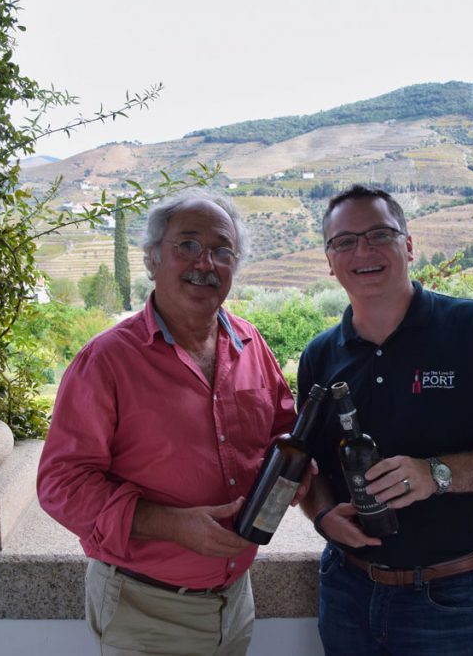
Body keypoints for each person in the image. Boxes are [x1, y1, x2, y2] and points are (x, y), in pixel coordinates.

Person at [37, 188, 297, 656]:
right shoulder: (107, 360)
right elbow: (61, 485)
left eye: (222, 250)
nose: (205, 262)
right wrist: (172, 525)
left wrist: (300, 474)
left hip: (235, 602)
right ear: (152, 260)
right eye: (188, 245)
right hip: (145, 611)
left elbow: (283, 431)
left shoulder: (250, 342)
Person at [298, 185, 473, 656]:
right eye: (345, 242)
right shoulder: (319, 355)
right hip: (345, 587)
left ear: (409, 245)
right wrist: (322, 516)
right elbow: (310, 469)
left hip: (449, 596)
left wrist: (436, 473)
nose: (363, 251)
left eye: (379, 234)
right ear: (329, 261)